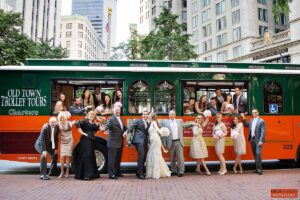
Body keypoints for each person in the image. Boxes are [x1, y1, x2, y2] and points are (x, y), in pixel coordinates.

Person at [160, 110, 192, 177]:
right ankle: (173, 170)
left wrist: (193, 123)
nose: (171, 115)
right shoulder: (165, 122)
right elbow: (163, 134)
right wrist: (164, 143)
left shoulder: (179, 121)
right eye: (170, 114)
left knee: (180, 157)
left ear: (175, 115)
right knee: (172, 158)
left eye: (172, 114)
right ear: (169, 115)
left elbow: (185, 125)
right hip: (170, 142)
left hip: (178, 141)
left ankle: (181, 171)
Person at [74, 111, 102, 180]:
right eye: (90, 115)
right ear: (88, 115)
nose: (91, 116)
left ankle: (92, 174)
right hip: (85, 140)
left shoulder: (94, 123)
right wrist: (83, 133)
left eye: (93, 115)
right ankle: (85, 175)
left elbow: (98, 129)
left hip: (92, 141)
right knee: (86, 155)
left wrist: (100, 123)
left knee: (91, 156)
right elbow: (77, 123)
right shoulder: (84, 121)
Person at [103, 106, 126, 179]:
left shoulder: (120, 118)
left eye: (118, 110)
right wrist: (104, 128)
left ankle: (117, 172)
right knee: (112, 160)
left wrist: (131, 128)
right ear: (113, 111)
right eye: (116, 110)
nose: (117, 111)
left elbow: (123, 127)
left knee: (118, 159)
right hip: (113, 143)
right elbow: (107, 125)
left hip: (119, 142)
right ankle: (111, 174)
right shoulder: (111, 119)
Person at [146, 112, 171, 179]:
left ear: (151, 116)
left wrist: (163, 132)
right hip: (154, 140)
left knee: (155, 154)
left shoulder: (154, 122)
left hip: (155, 139)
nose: (148, 116)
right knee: (155, 154)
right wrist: (163, 149)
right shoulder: (150, 122)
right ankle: (155, 173)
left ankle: (156, 173)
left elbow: (158, 130)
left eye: (149, 115)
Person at [125, 110, 149, 179]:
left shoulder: (147, 122)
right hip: (138, 141)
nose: (145, 115)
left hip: (145, 141)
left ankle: (138, 172)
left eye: (146, 114)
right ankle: (141, 174)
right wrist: (126, 132)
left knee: (144, 156)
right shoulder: (138, 121)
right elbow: (131, 127)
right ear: (142, 115)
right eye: (144, 114)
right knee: (141, 155)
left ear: (147, 116)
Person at [241, 109, 266, 175]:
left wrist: (261, 140)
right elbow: (246, 125)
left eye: (255, 112)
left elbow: (263, 132)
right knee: (255, 154)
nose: (254, 113)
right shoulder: (251, 120)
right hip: (252, 139)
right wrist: (243, 118)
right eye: (253, 113)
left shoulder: (261, 121)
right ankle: (257, 168)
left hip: (258, 140)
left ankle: (259, 169)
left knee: (258, 154)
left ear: (258, 113)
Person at [57, 112, 75, 178]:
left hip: (69, 141)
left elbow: (75, 122)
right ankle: (62, 172)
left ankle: (67, 171)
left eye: (63, 118)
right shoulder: (58, 124)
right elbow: (52, 126)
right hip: (63, 142)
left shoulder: (69, 123)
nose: (62, 119)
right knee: (62, 157)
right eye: (60, 118)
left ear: (65, 118)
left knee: (68, 157)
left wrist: (73, 122)